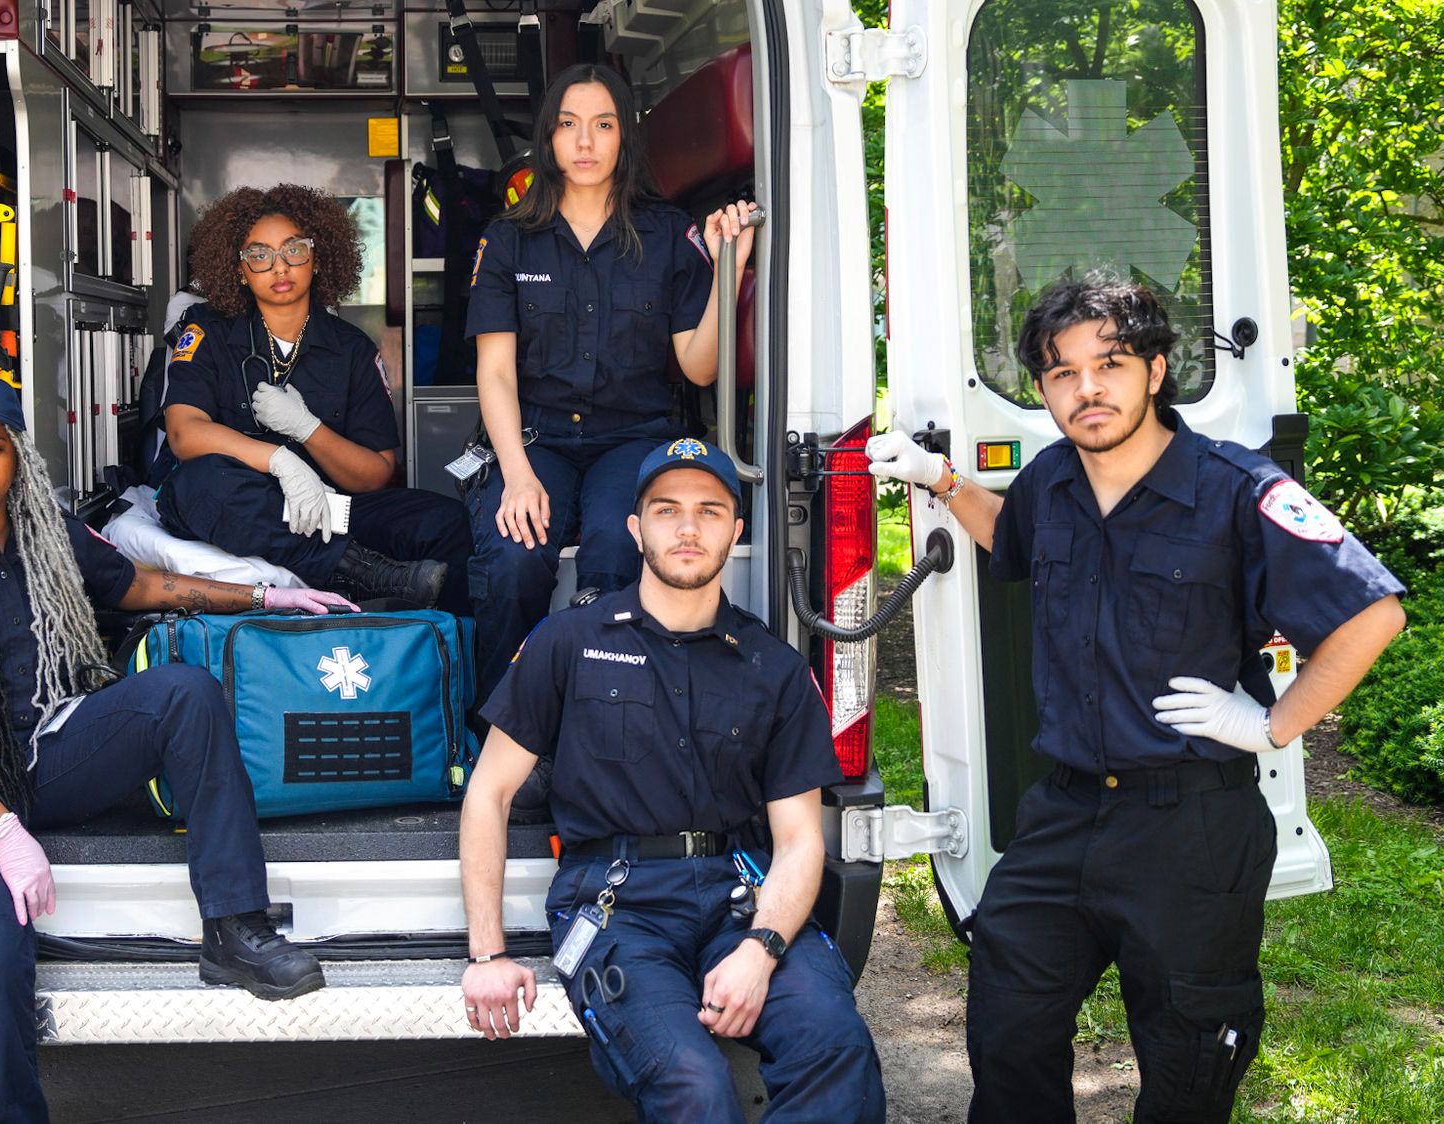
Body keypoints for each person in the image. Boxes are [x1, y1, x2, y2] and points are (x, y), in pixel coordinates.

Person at [867, 279, 1407, 1121]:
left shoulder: (1237, 489)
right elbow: (1010, 537)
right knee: (1008, 1025)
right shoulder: (1053, 481)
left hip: (1189, 829)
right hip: (1065, 814)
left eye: (1110, 363)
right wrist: (942, 478)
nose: (1087, 388)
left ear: (1156, 370)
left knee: (1190, 1061)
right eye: (1061, 372)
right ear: (1042, 390)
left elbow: (1373, 611)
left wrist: (1272, 724)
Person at [0, 372, 353, 1123]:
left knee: (185, 692)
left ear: (18, 454)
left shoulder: (44, 533)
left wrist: (263, 597)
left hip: (45, 752)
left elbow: (144, 587)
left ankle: (235, 928)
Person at [459, 437, 887, 1122]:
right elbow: (489, 794)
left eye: (710, 512)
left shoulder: (771, 667)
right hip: (615, 907)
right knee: (693, 1084)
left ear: (736, 531)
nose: (688, 529)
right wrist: (488, 952)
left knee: (834, 1045)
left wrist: (762, 948)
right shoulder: (566, 642)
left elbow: (801, 839)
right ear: (635, 529)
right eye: (667, 510)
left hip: (739, 896)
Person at [462, 62, 758, 707]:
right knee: (514, 560)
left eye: (604, 125)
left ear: (625, 137)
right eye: (570, 126)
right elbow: (495, 371)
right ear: (549, 139)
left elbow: (700, 368)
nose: (586, 142)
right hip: (533, 438)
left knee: (614, 552)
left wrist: (727, 270)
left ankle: (603, 724)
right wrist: (515, 474)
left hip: (635, 439)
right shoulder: (509, 239)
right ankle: (501, 731)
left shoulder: (667, 233)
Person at [155, 183, 472, 610]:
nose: (279, 267)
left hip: (332, 510)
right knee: (197, 482)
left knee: (451, 523)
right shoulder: (207, 328)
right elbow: (183, 433)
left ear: (318, 258)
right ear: (239, 269)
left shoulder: (353, 349)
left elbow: (376, 473)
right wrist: (278, 460)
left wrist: (309, 430)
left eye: (294, 250)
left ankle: (452, 653)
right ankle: (359, 572)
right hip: (243, 504)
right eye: (259, 255)